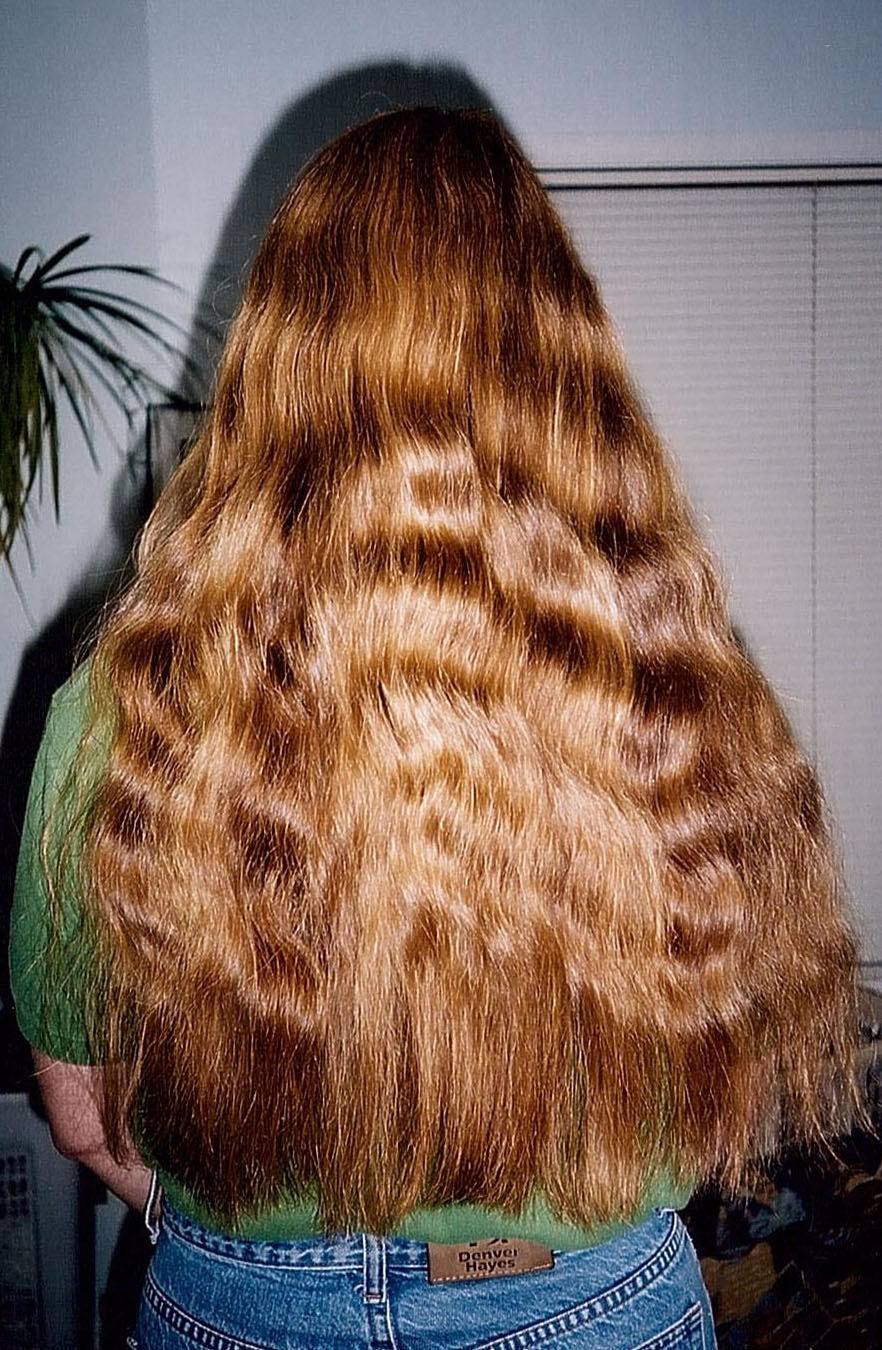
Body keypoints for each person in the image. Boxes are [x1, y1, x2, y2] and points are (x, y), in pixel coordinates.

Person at [10, 107, 860, 1350]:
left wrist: (263, 1253)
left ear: (280, 361)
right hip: (593, 1308)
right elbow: (730, 1058)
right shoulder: (685, 691)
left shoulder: (116, 708)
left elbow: (85, 1119)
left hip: (236, 1305)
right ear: (561, 366)